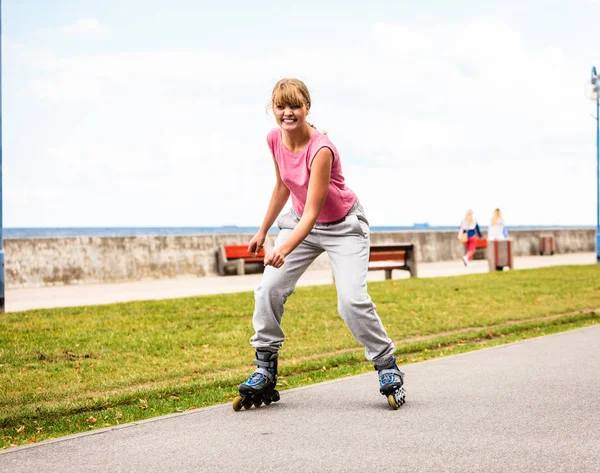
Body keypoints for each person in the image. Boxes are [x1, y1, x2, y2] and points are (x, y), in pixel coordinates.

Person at [232, 78, 405, 411]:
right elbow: (282, 186)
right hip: (299, 223)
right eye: (281, 106)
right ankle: (265, 368)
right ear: (273, 109)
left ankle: (387, 364)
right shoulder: (274, 139)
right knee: (268, 289)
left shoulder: (321, 148)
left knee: (351, 302)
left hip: (342, 227)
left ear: (307, 108)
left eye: (295, 105)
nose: (287, 112)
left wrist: (282, 248)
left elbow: (314, 210)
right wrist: (262, 231)